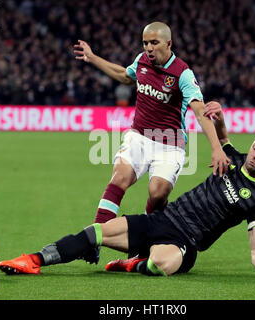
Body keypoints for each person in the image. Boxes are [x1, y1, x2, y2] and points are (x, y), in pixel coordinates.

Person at [0, 102, 255, 278]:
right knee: (97, 232)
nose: (254, 154)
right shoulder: (232, 157)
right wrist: (218, 114)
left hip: (187, 241)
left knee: (160, 263)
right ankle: (34, 260)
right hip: (163, 218)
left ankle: (132, 264)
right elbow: (222, 136)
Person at [72, 21, 230, 265]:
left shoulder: (182, 73)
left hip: (170, 142)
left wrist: (217, 148)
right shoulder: (142, 61)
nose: (148, 48)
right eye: (145, 43)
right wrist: (92, 58)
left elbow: (199, 111)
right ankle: (94, 240)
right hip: (139, 136)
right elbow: (125, 76)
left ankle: (146, 241)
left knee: (158, 194)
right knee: (119, 178)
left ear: (169, 43)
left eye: (154, 43)